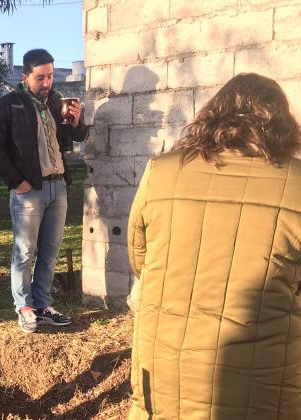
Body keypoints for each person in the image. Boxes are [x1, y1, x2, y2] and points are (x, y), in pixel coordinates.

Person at [127, 73, 301, 419]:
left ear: (213, 114)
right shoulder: (296, 183)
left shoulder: (162, 171)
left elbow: (139, 256)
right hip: (266, 372)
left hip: (164, 361)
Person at [0, 48, 87, 333]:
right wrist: (17, 183)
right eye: (40, 77)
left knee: (50, 250)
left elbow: (75, 138)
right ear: (25, 76)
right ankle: (24, 307)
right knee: (25, 251)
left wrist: (77, 120)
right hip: (29, 190)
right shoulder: (9, 105)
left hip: (58, 186)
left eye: (51, 76)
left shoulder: (56, 102)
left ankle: (43, 305)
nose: (47, 83)